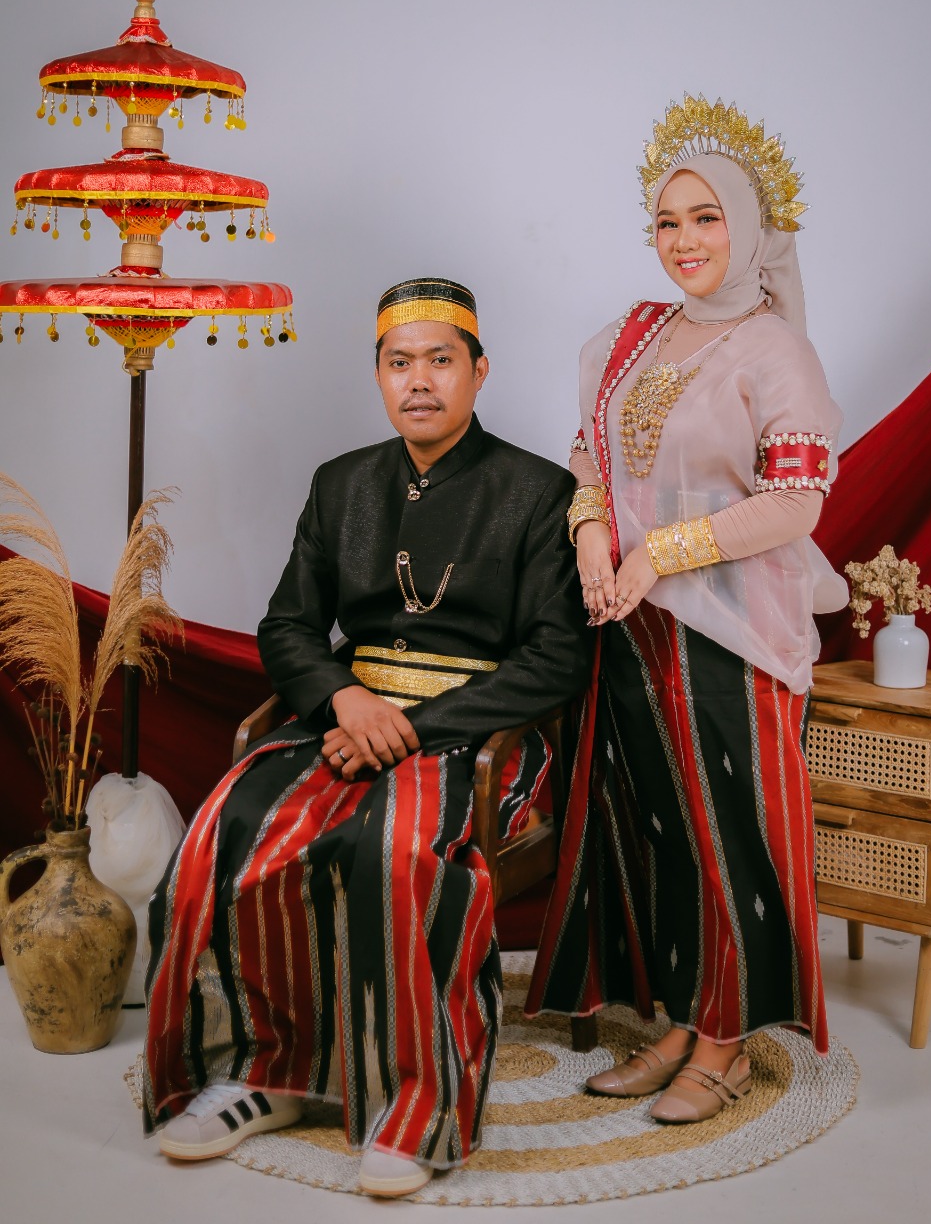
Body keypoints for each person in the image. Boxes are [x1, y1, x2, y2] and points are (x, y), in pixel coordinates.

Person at [142, 277, 589, 1196]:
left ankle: (418, 1105)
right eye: (399, 363)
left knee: (398, 851)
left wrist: (409, 728)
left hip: (481, 733)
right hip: (345, 717)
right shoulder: (341, 482)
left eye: (440, 360)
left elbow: (556, 661)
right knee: (228, 830)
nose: (418, 381)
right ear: (378, 376)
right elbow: (287, 627)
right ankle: (266, 1073)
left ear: (479, 372)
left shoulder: (539, 490)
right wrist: (345, 700)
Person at [526, 97, 846, 1122]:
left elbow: (795, 501)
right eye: (667, 222)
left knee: (729, 836)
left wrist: (657, 554)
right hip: (630, 622)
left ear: (749, 225)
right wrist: (591, 538)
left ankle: (727, 1043)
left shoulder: (775, 351)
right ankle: (679, 1019)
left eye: (706, 218)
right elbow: (589, 456)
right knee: (660, 827)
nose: (685, 241)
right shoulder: (632, 337)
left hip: (734, 632)